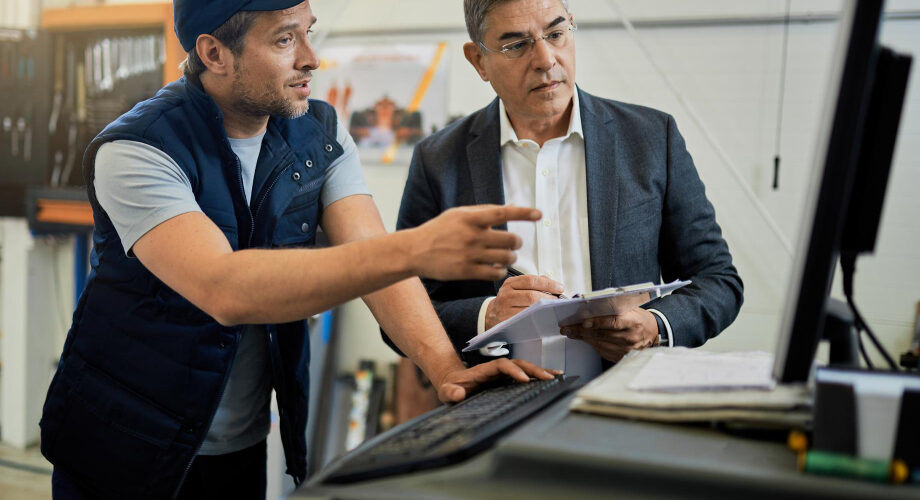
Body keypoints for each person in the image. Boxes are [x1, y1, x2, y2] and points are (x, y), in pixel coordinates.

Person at [39, 1, 557, 498]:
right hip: (122, 445)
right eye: (285, 40)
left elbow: (373, 255)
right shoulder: (138, 149)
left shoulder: (320, 136)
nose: (312, 58)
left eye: (308, 32)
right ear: (214, 53)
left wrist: (446, 368)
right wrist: (416, 248)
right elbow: (224, 288)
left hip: (239, 448)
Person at [393, 0, 743, 369]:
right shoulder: (438, 161)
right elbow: (400, 311)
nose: (546, 60)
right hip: (497, 397)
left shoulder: (652, 138)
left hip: (622, 391)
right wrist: (487, 315)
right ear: (479, 60)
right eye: (517, 45)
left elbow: (717, 281)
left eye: (556, 34)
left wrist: (655, 326)